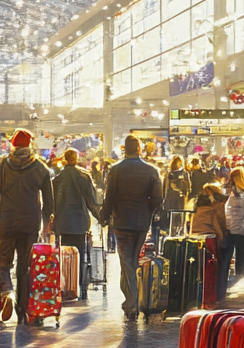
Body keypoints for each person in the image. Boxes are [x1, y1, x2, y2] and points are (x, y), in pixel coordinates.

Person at [0, 128, 54, 324]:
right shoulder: (40, 168)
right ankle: (23, 308)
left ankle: (7, 292)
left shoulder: (1, 167)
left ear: (13, 146)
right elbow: (49, 201)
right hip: (30, 223)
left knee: (4, 262)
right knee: (25, 266)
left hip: (8, 222)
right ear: (30, 145)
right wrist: (46, 224)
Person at [98, 135, 162, 321]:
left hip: (122, 221)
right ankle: (131, 301)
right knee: (132, 260)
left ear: (124, 149)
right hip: (142, 222)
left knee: (126, 262)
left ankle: (131, 303)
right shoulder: (152, 170)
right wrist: (147, 210)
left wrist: (103, 216)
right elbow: (158, 198)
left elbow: (109, 196)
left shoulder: (116, 170)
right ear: (139, 149)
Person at [52, 148, 100, 302]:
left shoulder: (57, 179)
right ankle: (81, 286)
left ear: (64, 159)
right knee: (80, 255)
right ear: (77, 158)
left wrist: (49, 222)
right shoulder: (85, 176)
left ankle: (66, 286)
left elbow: (52, 204)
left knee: (64, 255)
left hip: (63, 222)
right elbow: (92, 202)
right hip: (80, 222)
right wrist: (102, 217)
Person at [191, 181, 231, 301]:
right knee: (215, 265)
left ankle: (199, 293)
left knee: (199, 267)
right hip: (211, 238)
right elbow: (219, 224)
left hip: (196, 236)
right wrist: (223, 237)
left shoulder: (198, 206)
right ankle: (216, 293)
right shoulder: (219, 205)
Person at [223, 166, 244, 282]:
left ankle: (223, 281)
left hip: (228, 230)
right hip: (243, 232)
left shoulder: (227, 194)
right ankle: (239, 279)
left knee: (225, 260)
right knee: (242, 261)